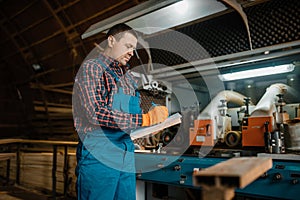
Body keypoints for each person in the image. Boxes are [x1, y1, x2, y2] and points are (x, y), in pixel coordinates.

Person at [73, 23, 169, 200]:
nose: (132, 52)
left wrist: (154, 121)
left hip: (126, 152)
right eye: (128, 46)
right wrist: (144, 119)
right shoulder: (92, 69)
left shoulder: (129, 79)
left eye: (134, 48)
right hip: (100, 153)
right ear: (111, 41)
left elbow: (131, 115)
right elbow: (95, 113)